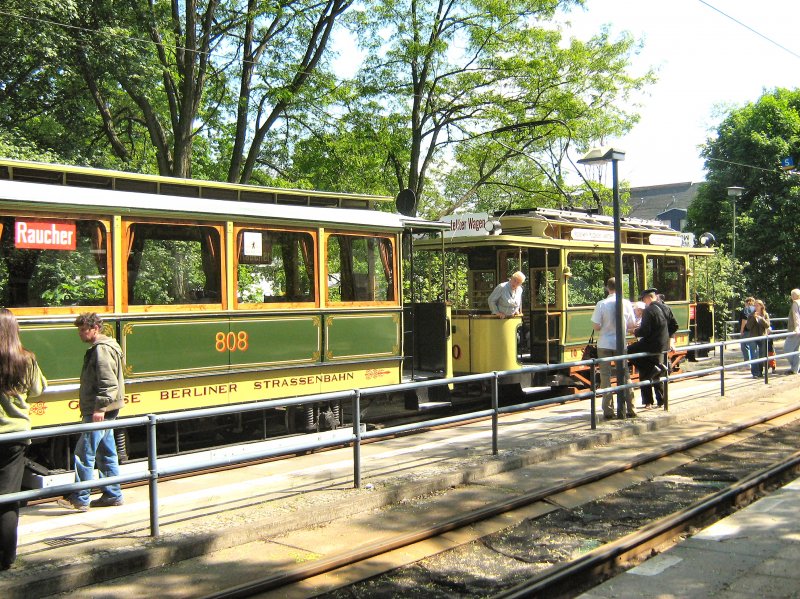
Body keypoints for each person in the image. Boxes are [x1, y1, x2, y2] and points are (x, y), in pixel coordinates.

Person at [58, 313, 125, 511]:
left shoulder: (101, 350)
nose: (80, 334)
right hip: (107, 409)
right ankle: (113, 494)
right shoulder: (106, 347)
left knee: (84, 452)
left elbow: (108, 383)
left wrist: (99, 408)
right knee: (106, 452)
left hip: (99, 410)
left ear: (95, 328)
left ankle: (80, 497)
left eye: (83, 330)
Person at [0, 308, 47, 570]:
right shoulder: (26, 359)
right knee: (7, 497)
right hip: (15, 435)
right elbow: (38, 389)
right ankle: (6, 558)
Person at [590, 277, 636, 420]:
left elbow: (596, 326)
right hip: (620, 344)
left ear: (607, 288)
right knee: (625, 375)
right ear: (621, 287)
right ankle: (630, 408)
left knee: (605, 377)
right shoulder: (627, 303)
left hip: (604, 343)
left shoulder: (601, 304)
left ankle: (609, 411)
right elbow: (631, 325)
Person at [627, 289, 669, 409]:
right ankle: (661, 401)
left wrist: (635, 332)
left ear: (648, 298)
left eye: (643, 299)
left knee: (630, 353)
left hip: (651, 345)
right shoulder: (665, 308)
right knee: (655, 372)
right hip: (662, 345)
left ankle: (648, 402)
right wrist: (670, 340)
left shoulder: (649, 310)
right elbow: (673, 325)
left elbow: (645, 331)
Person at [746, 299, 771, 378]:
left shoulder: (765, 314)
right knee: (753, 355)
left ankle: (760, 371)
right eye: (755, 305)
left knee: (762, 355)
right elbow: (748, 326)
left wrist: (761, 318)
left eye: (757, 305)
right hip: (753, 337)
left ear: (761, 306)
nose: (756, 307)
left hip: (762, 336)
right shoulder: (750, 315)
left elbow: (767, 325)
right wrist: (754, 318)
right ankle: (755, 373)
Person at [738, 296, 757, 377]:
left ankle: (747, 364)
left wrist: (741, 330)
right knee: (754, 347)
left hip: (746, 331)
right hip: (754, 331)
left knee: (744, 346)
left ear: (747, 302)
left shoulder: (746, 309)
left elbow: (744, 320)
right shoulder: (755, 309)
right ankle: (755, 364)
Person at [784, 289, 800, 375]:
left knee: (787, 349)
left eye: (792, 295)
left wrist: (797, 328)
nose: (791, 297)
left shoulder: (795, 303)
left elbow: (796, 316)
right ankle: (795, 369)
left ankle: (795, 367)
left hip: (795, 331)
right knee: (796, 349)